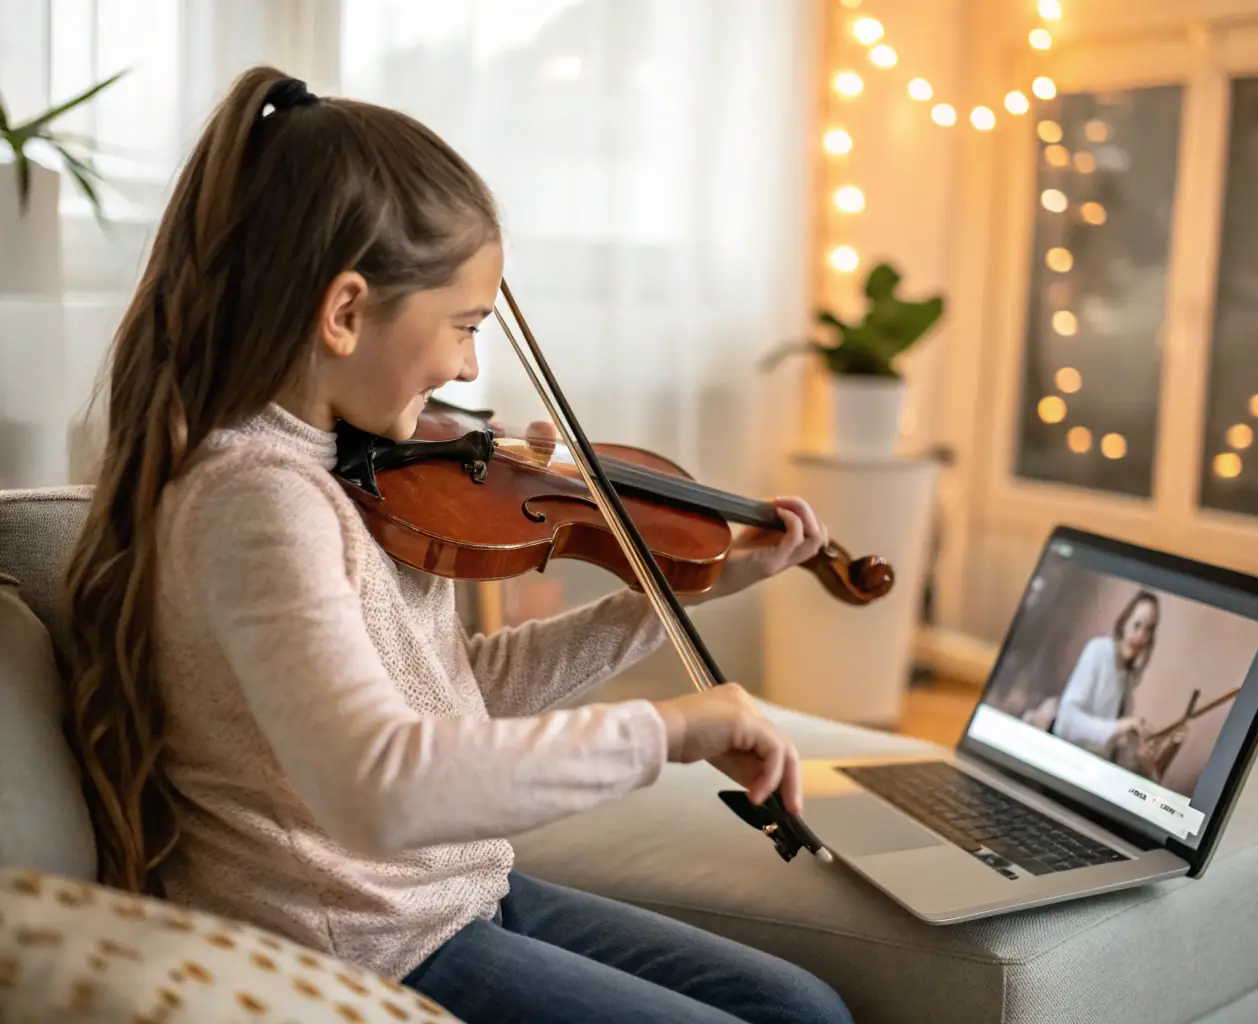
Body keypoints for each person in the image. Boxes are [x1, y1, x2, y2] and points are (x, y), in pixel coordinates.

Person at [59, 67, 853, 1024]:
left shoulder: (355, 464)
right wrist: (668, 731)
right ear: (346, 312)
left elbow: (456, 694)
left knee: (803, 1009)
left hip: (452, 899)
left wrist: (686, 588)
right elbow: (380, 791)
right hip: (362, 946)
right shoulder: (256, 499)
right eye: (465, 326)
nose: (470, 369)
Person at [1051, 590, 1162, 759]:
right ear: (1124, 622)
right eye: (1137, 625)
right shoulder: (1098, 650)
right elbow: (1065, 722)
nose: (1141, 635)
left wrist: (1137, 745)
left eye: (1149, 630)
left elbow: (1112, 747)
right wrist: (1118, 728)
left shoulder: (1128, 678)